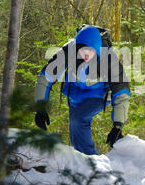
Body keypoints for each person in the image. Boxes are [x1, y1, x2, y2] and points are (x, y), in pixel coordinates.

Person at [34, 25, 130, 155]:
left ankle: (90, 162)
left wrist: (117, 126)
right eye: (81, 50)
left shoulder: (108, 58)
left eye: (89, 51)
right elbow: (45, 77)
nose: (85, 54)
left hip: (98, 95)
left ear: (96, 49)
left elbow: (121, 93)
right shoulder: (69, 51)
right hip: (75, 94)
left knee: (78, 118)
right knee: (75, 126)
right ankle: (79, 161)